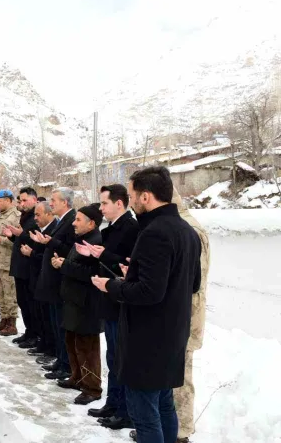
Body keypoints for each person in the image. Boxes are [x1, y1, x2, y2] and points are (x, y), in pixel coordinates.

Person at [91, 166, 202, 443]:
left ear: (146, 197)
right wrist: (137, 274)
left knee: (145, 415)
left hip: (148, 339)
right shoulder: (187, 230)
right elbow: (192, 283)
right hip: (173, 335)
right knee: (164, 406)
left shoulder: (155, 232)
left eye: (131, 196)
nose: (129, 202)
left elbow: (150, 293)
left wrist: (112, 285)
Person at [80, 184, 140, 430]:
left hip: (121, 301)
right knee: (112, 356)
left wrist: (102, 255)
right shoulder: (112, 227)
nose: (101, 208)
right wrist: (95, 254)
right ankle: (113, 402)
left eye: (104, 203)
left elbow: (130, 266)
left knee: (120, 358)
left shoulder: (131, 228)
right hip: (109, 298)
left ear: (119, 203)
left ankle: (124, 410)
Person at [54, 204, 104, 405]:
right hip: (73, 302)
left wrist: (64, 265)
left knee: (87, 347)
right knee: (72, 342)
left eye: (78, 220)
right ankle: (77, 377)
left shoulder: (97, 242)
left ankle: (92, 387)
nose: (74, 223)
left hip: (87, 304)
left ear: (91, 223)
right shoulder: (82, 240)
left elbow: (91, 273)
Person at [170, 188, 210, 443]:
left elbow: (192, 283)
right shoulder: (181, 226)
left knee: (181, 377)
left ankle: (181, 432)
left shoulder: (188, 229)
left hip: (186, 316)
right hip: (179, 315)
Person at [32, 187, 77, 380]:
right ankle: (60, 360)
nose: (51, 203)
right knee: (54, 322)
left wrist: (50, 242)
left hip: (61, 280)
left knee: (60, 325)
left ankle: (66, 364)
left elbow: (71, 249)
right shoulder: (62, 221)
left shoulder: (71, 221)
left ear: (65, 202)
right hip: (53, 280)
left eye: (54, 200)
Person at [24, 201, 58, 365]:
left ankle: (50, 348)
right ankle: (44, 343)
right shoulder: (42, 230)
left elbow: (48, 256)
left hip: (47, 281)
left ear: (49, 214)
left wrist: (32, 254)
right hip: (37, 279)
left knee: (48, 317)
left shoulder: (54, 230)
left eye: (38, 215)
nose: (35, 218)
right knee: (41, 315)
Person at [5, 187, 40, 349]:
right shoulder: (26, 217)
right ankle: (29, 331)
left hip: (29, 267)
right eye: (21, 200)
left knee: (29, 303)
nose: (22, 203)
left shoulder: (36, 217)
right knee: (23, 302)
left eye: (25, 200)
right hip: (20, 265)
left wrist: (20, 234)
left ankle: (34, 334)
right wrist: (14, 236)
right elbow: (23, 240)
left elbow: (36, 241)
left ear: (34, 199)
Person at [0, 189, 21, 336]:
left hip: (7, 262)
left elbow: (18, 240)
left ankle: (12, 323)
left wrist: (2, 240)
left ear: (8, 200)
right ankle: (4, 319)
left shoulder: (16, 217)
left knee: (9, 294)